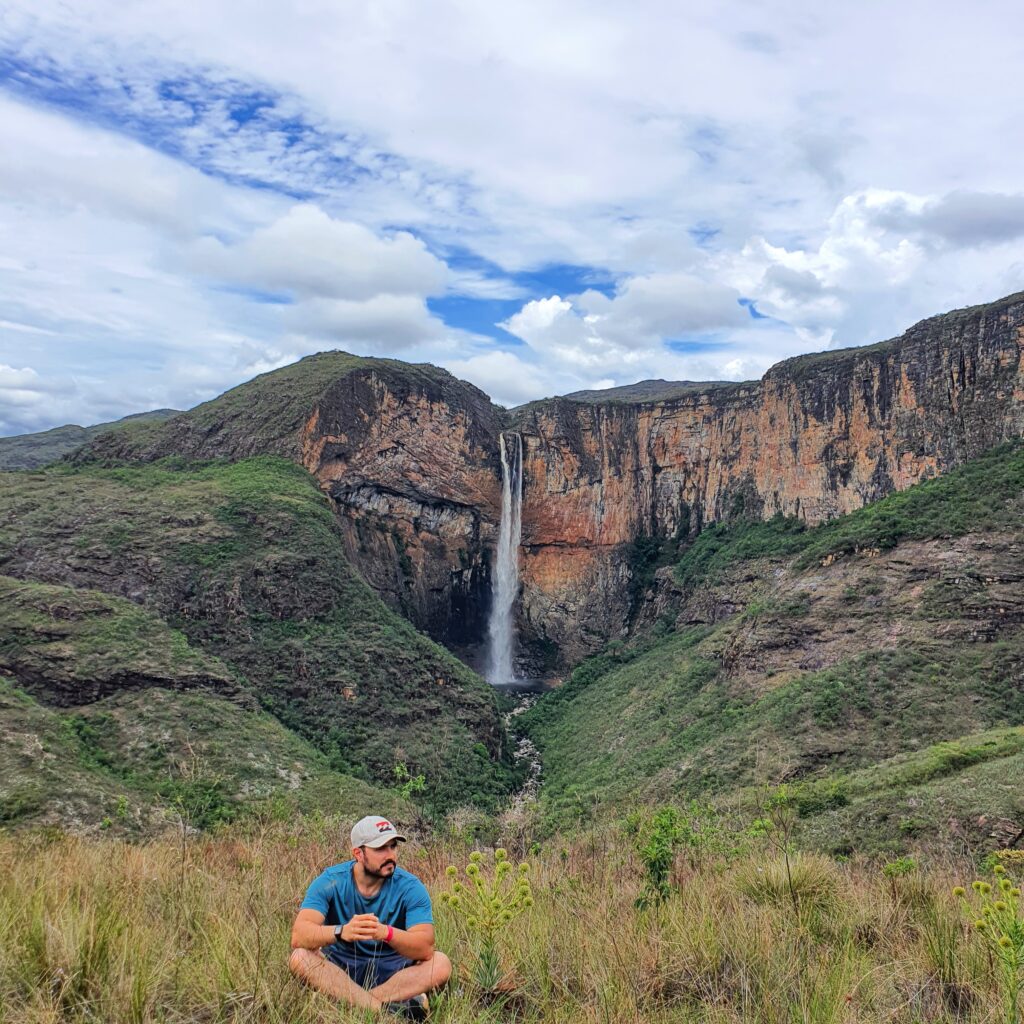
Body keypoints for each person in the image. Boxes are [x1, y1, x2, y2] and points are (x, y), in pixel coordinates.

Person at [289, 815, 451, 1018]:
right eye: (380, 848)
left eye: (393, 846)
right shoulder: (330, 881)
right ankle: (385, 1009)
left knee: (441, 963)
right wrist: (342, 931)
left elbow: (425, 948)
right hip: (341, 967)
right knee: (300, 958)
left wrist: (386, 933)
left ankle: (354, 1004)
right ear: (358, 853)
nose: (390, 855)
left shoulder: (411, 887)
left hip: (394, 971)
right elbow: (299, 935)